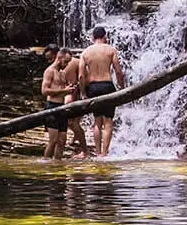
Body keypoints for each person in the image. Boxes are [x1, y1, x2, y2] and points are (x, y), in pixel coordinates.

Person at [79, 26, 126, 157]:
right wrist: (122, 88)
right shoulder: (111, 50)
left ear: (93, 37)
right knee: (108, 121)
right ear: (104, 36)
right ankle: (104, 154)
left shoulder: (86, 52)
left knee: (97, 121)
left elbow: (81, 76)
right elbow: (118, 71)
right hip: (107, 85)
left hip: (93, 87)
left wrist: (83, 93)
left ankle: (98, 152)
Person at [39, 44, 78, 159]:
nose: (67, 65)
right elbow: (44, 91)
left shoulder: (62, 73)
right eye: (66, 62)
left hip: (62, 107)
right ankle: (45, 162)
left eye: (69, 62)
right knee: (53, 140)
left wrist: (70, 89)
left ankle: (57, 164)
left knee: (62, 141)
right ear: (59, 58)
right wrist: (63, 91)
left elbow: (62, 90)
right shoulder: (49, 71)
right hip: (51, 107)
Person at [65, 51, 90, 157]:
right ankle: (76, 137)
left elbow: (74, 85)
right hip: (87, 88)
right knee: (74, 121)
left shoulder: (70, 64)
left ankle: (85, 151)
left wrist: (69, 101)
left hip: (84, 90)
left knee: (71, 122)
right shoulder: (74, 62)